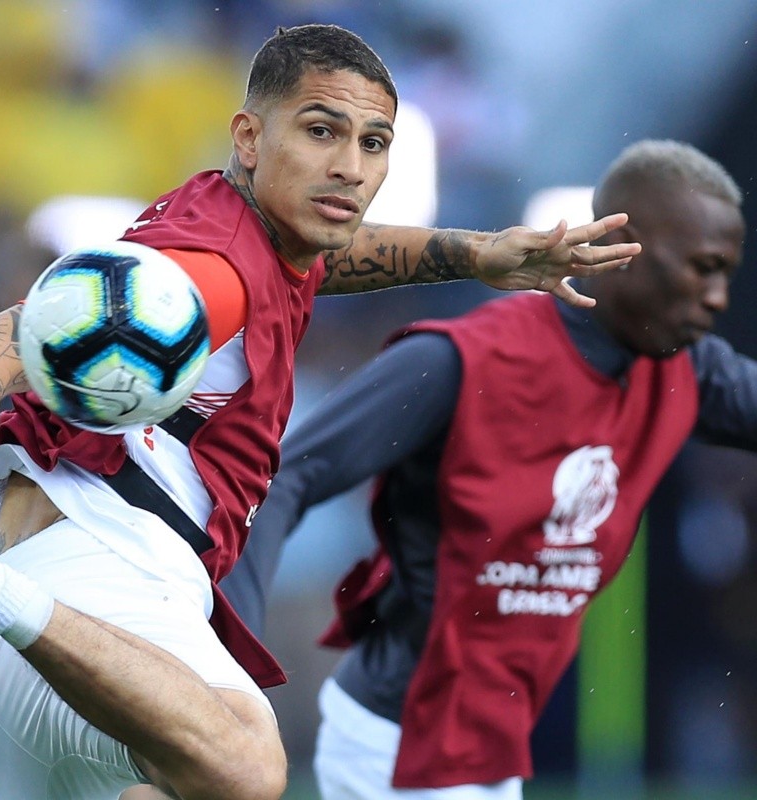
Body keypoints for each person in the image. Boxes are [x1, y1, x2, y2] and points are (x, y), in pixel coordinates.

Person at [0, 22, 638, 800]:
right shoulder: (212, 271)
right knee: (243, 763)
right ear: (249, 136)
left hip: (39, 609)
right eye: (321, 131)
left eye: (374, 143)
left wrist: (476, 255)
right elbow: (7, 335)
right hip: (92, 557)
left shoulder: (247, 228)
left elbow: (321, 261)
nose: (350, 166)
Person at [221, 138, 752, 800]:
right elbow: (281, 480)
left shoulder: (688, 371)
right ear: (625, 246)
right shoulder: (463, 361)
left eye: (726, 271)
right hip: (394, 749)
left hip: (490, 757)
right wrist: (225, 669)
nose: (718, 297)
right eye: (701, 268)